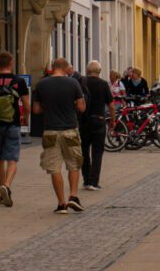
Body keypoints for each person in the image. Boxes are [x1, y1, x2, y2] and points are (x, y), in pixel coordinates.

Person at [33, 58, 86, 214]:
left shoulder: (41, 84)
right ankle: (73, 196)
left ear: (53, 68)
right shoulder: (73, 83)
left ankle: (61, 204)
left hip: (50, 131)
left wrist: (48, 108)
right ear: (65, 68)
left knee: (54, 168)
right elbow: (82, 107)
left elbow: (36, 110)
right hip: (70, 129)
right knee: (74, 164)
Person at [0, 51, 30, 207]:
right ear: (11, 63)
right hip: (12, 124)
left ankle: (2, 194)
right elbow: (27, 106)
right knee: (13, 159)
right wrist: (26, 119)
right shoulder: (18, 81)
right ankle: (7, 186)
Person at [80, 61, 115, 192]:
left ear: (88, 70)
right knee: (97, 153)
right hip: (98, 121)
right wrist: (113, 120)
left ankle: (86, 180)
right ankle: (94, 182)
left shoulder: (82, 83)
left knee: (84, 152)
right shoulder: (103, 84)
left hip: (84, 122)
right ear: (99, 71)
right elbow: (111, 105)